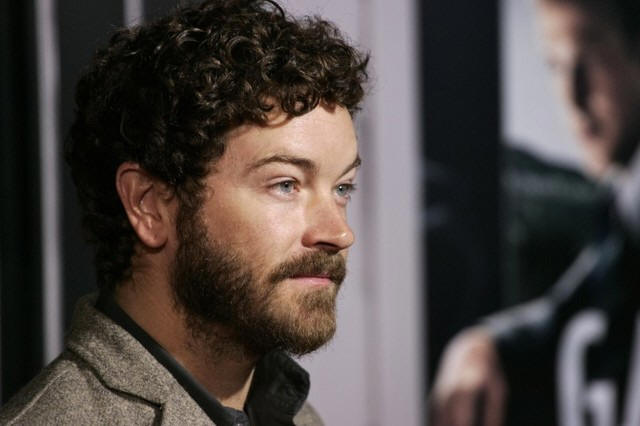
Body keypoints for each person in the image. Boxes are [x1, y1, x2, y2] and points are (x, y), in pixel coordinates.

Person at [0, 1, 368, 424]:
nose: (339, 233)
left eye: (342, 188)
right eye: (285, 185)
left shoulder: (297, 416)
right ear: (148, 204)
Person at [431, 0, 640, 425]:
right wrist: (484, 343)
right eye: (556, 65)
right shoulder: (624, 207)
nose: (572, 94)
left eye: (592, 56)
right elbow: (577, 303)